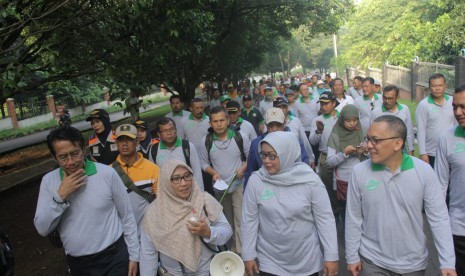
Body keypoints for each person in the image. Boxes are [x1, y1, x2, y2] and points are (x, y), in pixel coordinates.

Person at [345, 115, 457, 276]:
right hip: (372, 260)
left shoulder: (423, 172)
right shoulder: (359, 172)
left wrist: (447, 262)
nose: (368, 146)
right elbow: (353, 217)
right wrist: (352, 256)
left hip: (412, 265)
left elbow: (439, 217)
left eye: (375, 140)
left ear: (398, 143)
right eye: (367, 139)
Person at [34, 126, 139, 276]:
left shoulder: (106, 173)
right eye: (63, 157)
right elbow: (42, 228)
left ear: (84, 149)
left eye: (75, 153)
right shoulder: (49, 182)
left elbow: (127, 215)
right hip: (79, 264)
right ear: (54, 157)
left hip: (115, 257)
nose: (71, 162)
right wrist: (60, 197)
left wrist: (134, 255)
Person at [242, 131, 339, 276]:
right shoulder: (256, 181)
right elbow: (249, 220)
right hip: (269, 261)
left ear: (287, 153)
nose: (266, 161)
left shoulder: (310, 181)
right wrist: (248, 254)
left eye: (272, 156)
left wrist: (331, 255)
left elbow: (325, 219)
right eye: (263, 154)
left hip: (306, 261)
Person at [139, 159, 232, 275]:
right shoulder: (154, 212)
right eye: (176, 179)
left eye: (187, 176)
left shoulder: (204, 200)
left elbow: (227, 231)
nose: (184, 183)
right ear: (165, 182)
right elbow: (148, 256)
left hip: (208, 271)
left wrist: (209, 232)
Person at [199, 106, 250, 255]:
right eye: (215, 121)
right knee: (227, 221)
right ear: (210, 124)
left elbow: (251, 157)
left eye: (222, 120)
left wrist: (243, 168)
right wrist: (213, 172)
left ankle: (240, 253)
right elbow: (203, 163)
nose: (219, 124)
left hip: (239, 184)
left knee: (240, 219)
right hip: (220, 188)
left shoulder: (240, 137)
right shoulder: (206, 141)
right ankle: (232, 246)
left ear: (228, 120)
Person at [435, 82, 465, 274]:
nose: (458, 112)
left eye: (463, 106)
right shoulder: (447, 138)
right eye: (455, 107)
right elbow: (439, 186)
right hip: (458, 228)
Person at [244, 107, 309, 189]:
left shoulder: (294, 141)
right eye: (271, 125)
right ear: (266, 125)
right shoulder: (256, 144)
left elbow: (303, 165)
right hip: (266, 189)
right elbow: (250, 172)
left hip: (291, 187)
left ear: (285, 123)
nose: (274, 129)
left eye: (278, 125)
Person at [113, 124, 160, 228]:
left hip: (149, 229)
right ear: (116, 143)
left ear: (137, 141)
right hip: (122, 232)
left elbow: (161, 201)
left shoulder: (153, 169)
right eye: (120, 140)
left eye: (129, 139)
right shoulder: (110, 172)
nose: (124, 144)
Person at [326, 105, 367, 224]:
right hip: (343, 180)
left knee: (361, 210)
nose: (352, 124)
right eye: (348, 121)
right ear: (342, 120)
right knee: (346, 212)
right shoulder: (335, 134)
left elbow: (369, 155)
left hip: (360, 178)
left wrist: (365, 151)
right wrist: (344, 153)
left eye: (355, 120)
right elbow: (329, 161)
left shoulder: (360, 131)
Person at [151, 117, 204, 191]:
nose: (169, 133)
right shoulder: (154, 150)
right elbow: (154, 176)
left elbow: (197, 172)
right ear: (159, 134)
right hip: (168, 195)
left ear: (176, 130)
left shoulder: (188, 147)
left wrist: (200, 194)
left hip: (188, 191)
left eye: (171, 129)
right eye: (164, 131)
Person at [309, 92, 340, 215]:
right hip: (325, 157)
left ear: (334, 103)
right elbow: (312, 141)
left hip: (342, 156)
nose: (323, 106)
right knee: (327, 187)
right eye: (322, 104)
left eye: (326, 104)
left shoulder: (342, 117)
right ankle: (332, 212)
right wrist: (318, 131)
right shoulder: (317, 120)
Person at [416, 73, 456, 167]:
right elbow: (421, 130)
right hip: (431, 153)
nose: (437, 88)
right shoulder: (423, 105)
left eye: (440, 85)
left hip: (451, 150)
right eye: (434, 86)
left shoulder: (452, 102)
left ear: (445, 86)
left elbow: (457, 124)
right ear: (429, 87)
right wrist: (423, 153)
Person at [372, 85, 415, 155]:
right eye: (385, 98)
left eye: (390, 98)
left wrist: (411, 149)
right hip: (382, 150)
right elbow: (372, 133)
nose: (387, 101)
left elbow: (409, 131)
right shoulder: (376, 112)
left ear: (397, 98)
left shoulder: (405, 110)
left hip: (401, 150)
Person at [273, 97, 314, 167]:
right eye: (279, 107)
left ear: (287, 108)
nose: (281, 110)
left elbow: (304, 140)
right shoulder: (271, 124)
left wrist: (311, 157)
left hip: (297, 161)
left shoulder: (295, 121)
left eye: (284, 107)